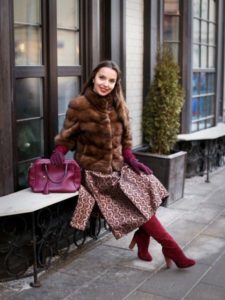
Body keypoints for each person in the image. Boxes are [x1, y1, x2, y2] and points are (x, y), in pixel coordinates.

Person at [50, 60, 195, 268]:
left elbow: (126, 143)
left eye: (111, 80)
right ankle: (172, 249)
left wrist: (134, 161)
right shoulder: (79, 105)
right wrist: (59, 152)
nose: (105, 84)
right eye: (102, 78)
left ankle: (143, 240)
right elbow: (67, 138)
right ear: (93, 78)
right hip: (96, 175)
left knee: (149, 187)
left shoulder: (120, 106)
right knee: (137, 204)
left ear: (116, 83)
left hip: (120, 168)